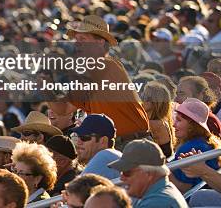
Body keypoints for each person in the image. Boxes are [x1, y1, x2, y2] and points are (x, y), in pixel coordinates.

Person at [49, 15, 151, 147]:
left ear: (100, 42)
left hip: (133, 144)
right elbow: (63, 109)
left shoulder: (107, 64)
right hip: (118, 144)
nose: (77, 43)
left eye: (83, 39)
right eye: (77, 39)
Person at [108, 139, 188, 207]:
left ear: (148, 174)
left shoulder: (155, 203)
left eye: (127, 172)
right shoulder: (162, 193)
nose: (122, 178)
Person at [171, 98, 221, 193]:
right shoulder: (208, 142)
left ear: (192, 126)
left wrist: (160, 168)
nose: (173, 124)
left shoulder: (191, 148)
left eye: (179, 120)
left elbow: (184, 189)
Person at [72, 114, 122, 180]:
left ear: (103, 141)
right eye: (77, 136)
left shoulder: (104, 156)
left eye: (85, 137)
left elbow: (74, 189)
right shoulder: (113, 156)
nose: (78, 142)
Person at [140, 81, 176, 158]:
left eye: (147, 98)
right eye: (142, 96)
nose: (142, 100)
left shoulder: (154, 124)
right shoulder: (162, 121)